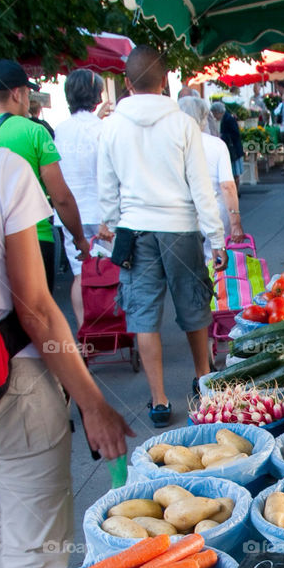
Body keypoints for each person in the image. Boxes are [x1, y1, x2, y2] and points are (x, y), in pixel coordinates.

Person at [0, 36, 131, 568]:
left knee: (7, 558)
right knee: (38, 566)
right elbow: (36, 309)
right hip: (12, 386)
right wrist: (92, 401)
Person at [97, 45, 227, 427]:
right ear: (166, 80)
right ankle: (204, 380)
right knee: (194, 308)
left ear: (126, 82)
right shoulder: (183, 124)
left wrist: (111, 220)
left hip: (135, 231)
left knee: (143, 317)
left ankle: (158, 400)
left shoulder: (112, 126)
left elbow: (108, 187)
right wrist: (214, 237)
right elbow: (201, 187)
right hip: (181, 228)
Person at [0, 59, 90, 293]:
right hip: (33, 239)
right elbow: (61, 197)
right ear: (17, 94)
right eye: (27, 93)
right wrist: (79, 239)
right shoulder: (35, 132)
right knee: (37, 316)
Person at [54, 68, 108, 325]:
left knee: (79, 275)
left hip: (68, 214)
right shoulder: (104, 129)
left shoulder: (58, 131)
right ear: (96, 95)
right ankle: (112, 326)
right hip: (102, 214)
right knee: (110, 272)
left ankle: (86, 332)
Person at [178, 95, 245, 252]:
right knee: (218, 262)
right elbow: (228, 186)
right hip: (215, 212)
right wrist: (235, 222)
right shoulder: (216, 145)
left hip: (182, 216)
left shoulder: (172, 144)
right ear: (204, 117)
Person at [211, 100, 244, 186]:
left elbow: (235, 134)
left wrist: (222, 136)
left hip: (234, 149)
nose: (214, 116)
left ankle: (236, 190)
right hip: (234, 148)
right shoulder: (227, 118)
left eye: (214, 114)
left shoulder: (228, 119)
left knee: (235, 172)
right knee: (234, 172)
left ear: (217, 112)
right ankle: (236, 190)